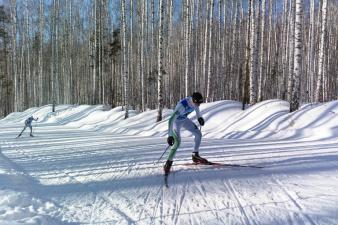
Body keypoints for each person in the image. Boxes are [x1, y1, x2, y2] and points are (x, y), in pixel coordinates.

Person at [164, 92, 207, 175]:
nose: (199, 105)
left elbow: (197, 109)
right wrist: (169, 135)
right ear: (193, 100)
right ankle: (168, 162)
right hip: (176, 122)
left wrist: (199, 118)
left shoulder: (195, 103)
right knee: (177, 142)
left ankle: (195, 155)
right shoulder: (182, 106)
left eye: (200, 103)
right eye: (198, 103)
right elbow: (171, 119)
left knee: (198, 134)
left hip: (184, 120)